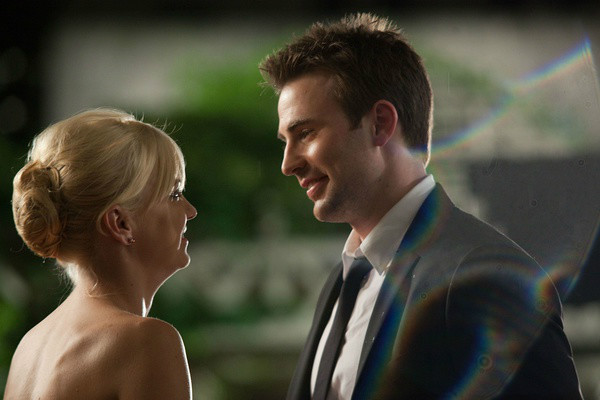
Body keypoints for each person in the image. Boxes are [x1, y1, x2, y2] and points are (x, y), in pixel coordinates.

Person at [260, 13, 582, 399]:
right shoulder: (344, 279)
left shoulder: (488, 277)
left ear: (381, 123)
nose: (287, 164)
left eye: (306, 133)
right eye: (286, 140)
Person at [4, 109, 197, 399]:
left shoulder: (29, 348)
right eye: (174, 194)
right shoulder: (146, 341)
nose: (190, 211)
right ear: (120, 223)